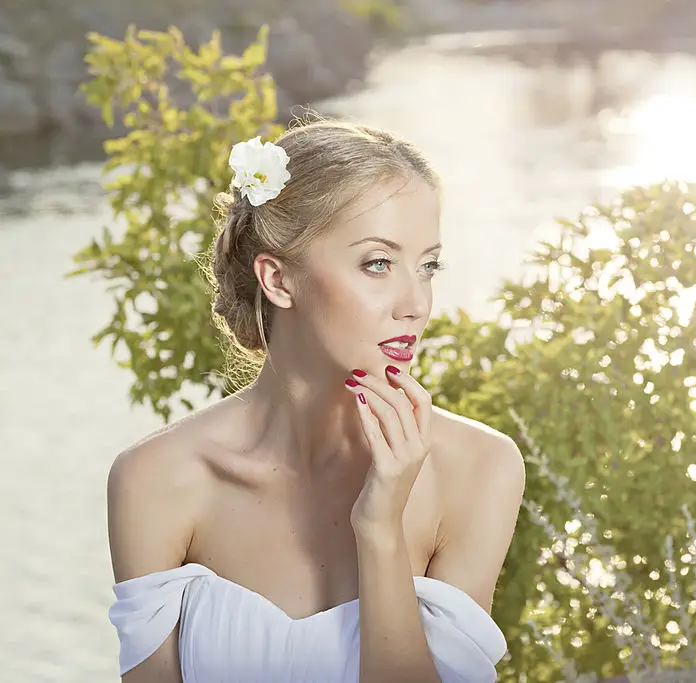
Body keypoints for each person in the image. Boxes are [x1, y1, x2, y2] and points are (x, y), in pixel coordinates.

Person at [105, 119, 526, 683]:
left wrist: (380, 530)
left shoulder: (479, 468)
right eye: (378, 264)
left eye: (427, 266)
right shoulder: (156, 479)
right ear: (278, 280)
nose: (416, 304)